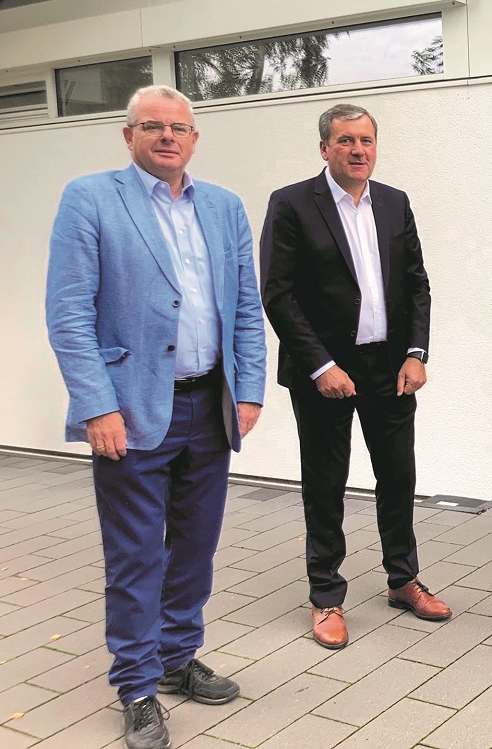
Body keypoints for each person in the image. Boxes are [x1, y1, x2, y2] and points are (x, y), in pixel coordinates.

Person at [45, 86, 267, 749]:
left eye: (179, 127)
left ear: (194, 138)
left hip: (209, 405)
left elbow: (247, 309)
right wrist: (96, 404)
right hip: (132, 410)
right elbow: (69, 314)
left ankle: (176, 657)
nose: (167, 136)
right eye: (153, 126)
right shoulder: (89, 198)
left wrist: (248, 389)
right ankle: (137, 685)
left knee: (195, 548)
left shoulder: (224, 207)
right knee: (137, 555)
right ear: (129, 135)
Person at [260, 102, 447, 651]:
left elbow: (416, 285)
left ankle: (402, 579)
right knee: (325, 484)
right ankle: (326, 597)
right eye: (345, 141)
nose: (358, 150)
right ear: (325, 148)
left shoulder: (394, 203)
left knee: (398, 476)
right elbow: (279, 293)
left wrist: (417, 354)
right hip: (324, 370)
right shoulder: (292, 204)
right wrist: (320, 365)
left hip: (389, 368)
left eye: (366, 140)